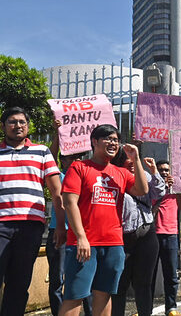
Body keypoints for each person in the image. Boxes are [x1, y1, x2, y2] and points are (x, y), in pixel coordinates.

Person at [0, 107, 63, 316]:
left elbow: (56, 191)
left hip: (30, 226)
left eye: (22, 122)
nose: (18, 126)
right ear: (3, 126)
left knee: (18, 285)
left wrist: (61, 226)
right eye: (12, 122)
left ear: (28, 126)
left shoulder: (42, 151)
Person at [59, 125, 148, 316]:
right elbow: (69, 202)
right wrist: (81, 237)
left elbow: (142, 190)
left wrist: (136, 159)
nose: (113, 143)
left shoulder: (121, 173)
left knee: (104, 294)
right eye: (108, 138)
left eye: (116, 140)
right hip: (84, 244)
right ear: (94, 142)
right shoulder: (79, 167)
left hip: (113, 244)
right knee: (74, 296)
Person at [111, 148, 166, 316]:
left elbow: (160, 192)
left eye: (135, 162)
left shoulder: (145, 176)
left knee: (143, 284)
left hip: (146, 234)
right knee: (119, 285)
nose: (133, 166)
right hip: (121, 238)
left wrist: (154, 172)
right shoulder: (113, 178)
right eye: (129, 163)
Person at [48, 119, 92, 316]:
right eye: (69, 157)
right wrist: (57, 132)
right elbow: (49, 157)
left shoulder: (87, 176)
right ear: (62, 160)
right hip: (60, 233)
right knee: (57, 279)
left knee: (87, 277)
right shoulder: (57, 175)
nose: (74, 161)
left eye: (77, 157)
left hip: (83, 234)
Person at [152, 160, 181, 316]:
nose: (164, 173)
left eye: (167, 170)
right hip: (152, 235)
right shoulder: (151, 187)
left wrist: (176, 189)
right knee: (149, 275)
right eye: (160, 170)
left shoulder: (175, 190)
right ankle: (146, 307)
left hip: (171, 234)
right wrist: (163, 189)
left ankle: (171, 307)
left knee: (171, 274)